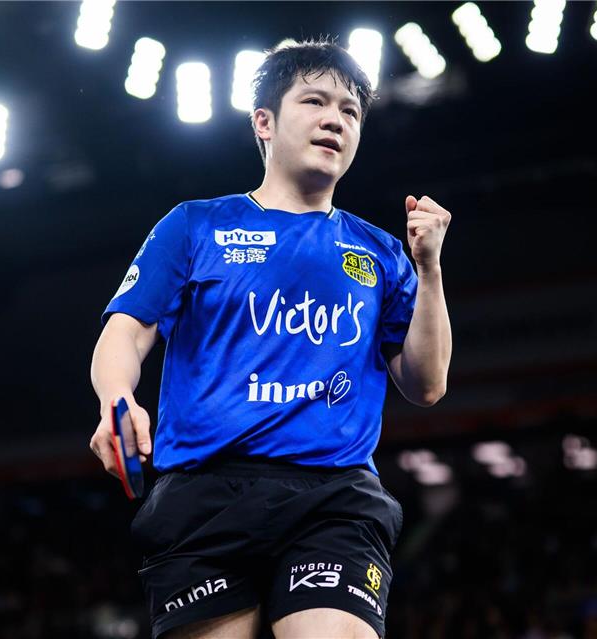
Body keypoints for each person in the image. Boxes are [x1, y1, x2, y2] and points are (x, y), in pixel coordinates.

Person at [88, 38, 452, 639]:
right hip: (204, 497)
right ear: (264, 121)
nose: (335, 118)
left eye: (351, 110)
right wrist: (117, 396)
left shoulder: (381, 253)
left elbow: (427, 384)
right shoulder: (194, 226)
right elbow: (126, 330)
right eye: (315, 101)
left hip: (333, 499)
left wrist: (429, 269)